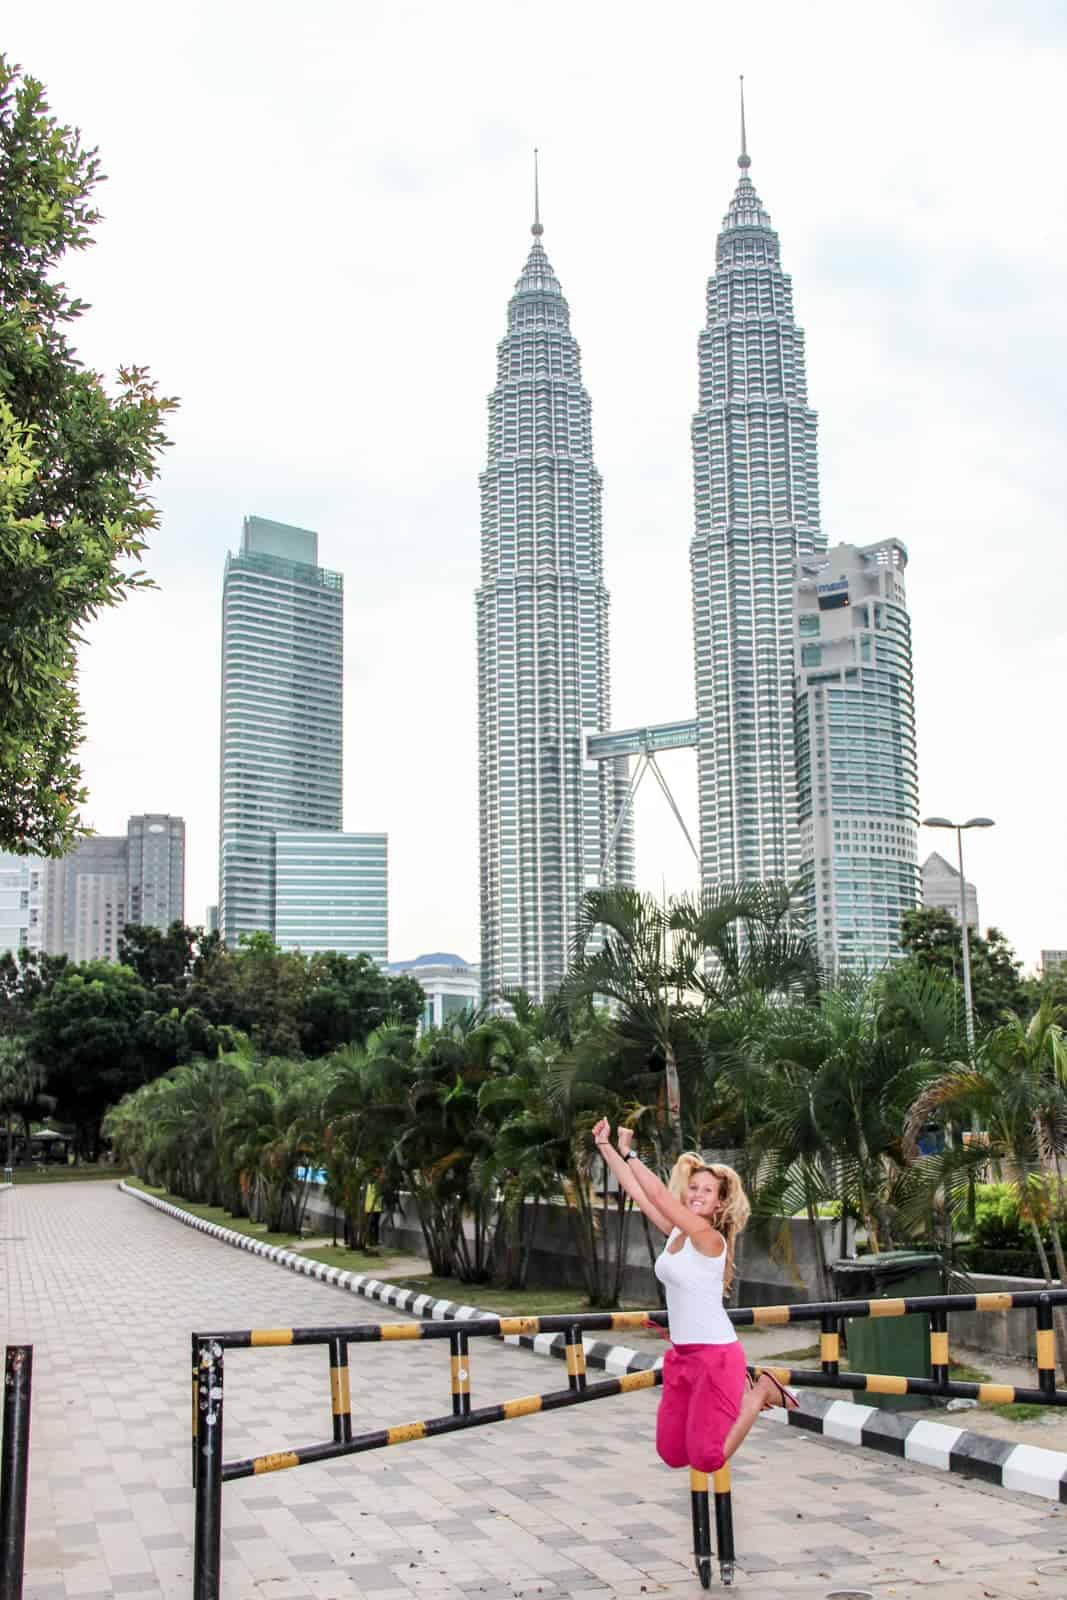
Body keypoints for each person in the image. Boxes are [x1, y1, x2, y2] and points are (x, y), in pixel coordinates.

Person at [592, 1118, 797, 1476]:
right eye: (693, 1188)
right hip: (683, 1357)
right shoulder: (676, 1233)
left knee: (708, 1458)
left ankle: (760, 1391)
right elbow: (639, 1193)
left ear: (719, 1205)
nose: (697, 1195)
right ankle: (751, 1392)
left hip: (716, 1356)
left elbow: (657, 1193)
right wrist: (606, 1147)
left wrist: (631, 1152)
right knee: (671, 1453)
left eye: (707, 1191)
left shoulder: (709, 1239)